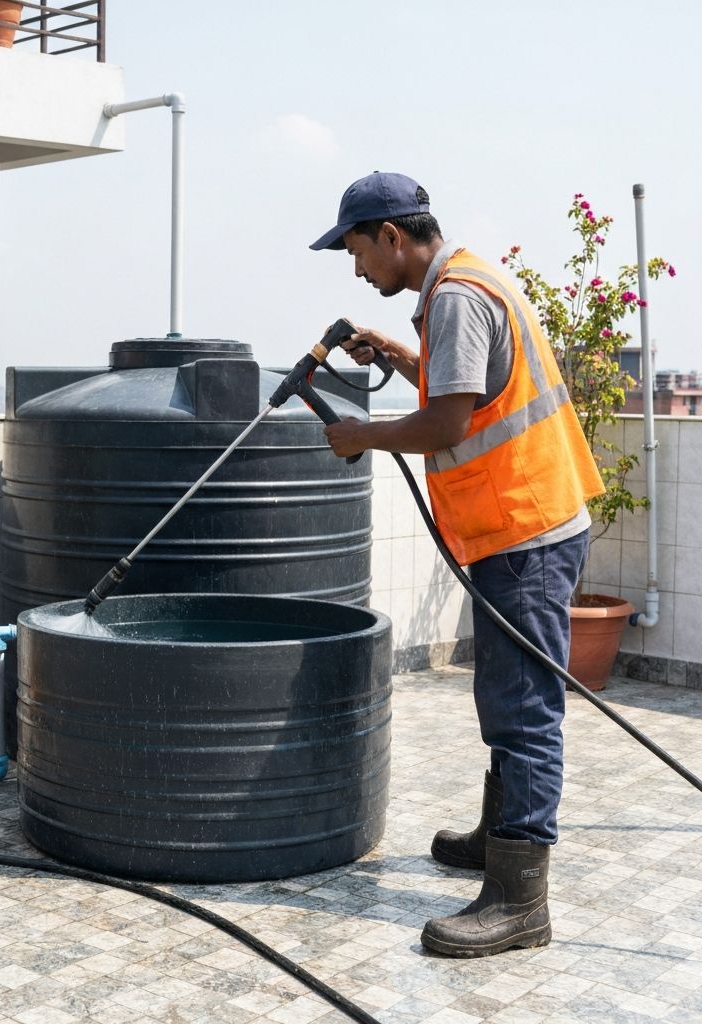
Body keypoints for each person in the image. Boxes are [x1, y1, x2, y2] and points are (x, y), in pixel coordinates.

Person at [310, 172, 604, 959]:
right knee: (506, 695)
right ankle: (495, 836)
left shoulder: (457, 297)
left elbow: (447, 423)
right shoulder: (463, 281)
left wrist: (361, 436)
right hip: (521, 525)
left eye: (357, 249)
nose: (357, 268)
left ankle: (519, 900)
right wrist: (406, 359)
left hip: (526, 530)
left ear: (393, 236)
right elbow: (471, 394)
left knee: (525, 708)